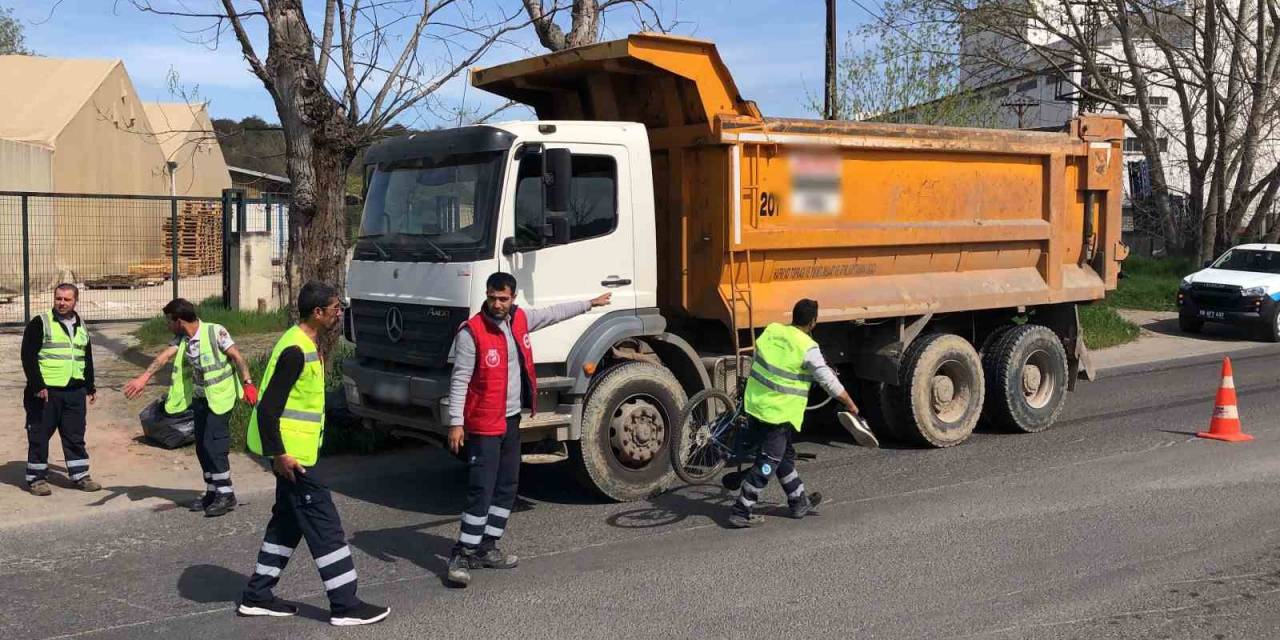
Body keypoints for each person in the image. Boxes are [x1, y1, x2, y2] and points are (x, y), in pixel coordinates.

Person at [445, 272, 612, 587]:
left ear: (513, 298)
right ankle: (462, 552)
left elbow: (552, 314)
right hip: (482, 423)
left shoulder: (518, 320)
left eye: (503, 299)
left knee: (508, 484)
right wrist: (456, 423)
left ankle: (487, 547)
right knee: (482, 487)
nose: (497, 304)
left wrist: (589, 303)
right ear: (486, 295)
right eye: (493, 298)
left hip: (510, 420)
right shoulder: (472, 333)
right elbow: (460, 379)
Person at [238, 281, 389, 626]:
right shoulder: (296, 350)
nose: (340, 313)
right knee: (326, 526)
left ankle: (257, 595)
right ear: (318, 312)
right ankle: (346, 605)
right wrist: (279, 455)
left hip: (298, 454)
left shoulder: (305, 343)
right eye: (336, 308)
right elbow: (267, 409)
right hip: (294, 460)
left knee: (287, 525)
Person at [730, 298, 870, 529]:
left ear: (793, 316)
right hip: (778, 412)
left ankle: (798, 501)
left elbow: (758, 358)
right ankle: (741, 510)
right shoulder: (807, 347)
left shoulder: (773, 330)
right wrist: (851, 405)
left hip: (755, 404)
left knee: (784, 456)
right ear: (814, 322)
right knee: (768, 462)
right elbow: (829, 382)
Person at [123, 299, 257, 517]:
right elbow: (163, 357)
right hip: (200, 399)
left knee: (215, 443)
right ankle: (213, 492)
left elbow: (237, 357)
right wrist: (143, 378)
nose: (167, 325)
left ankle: (226, 494)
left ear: (179, 320)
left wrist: (248, 383)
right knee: (202, 446)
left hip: (222, 397)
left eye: (169, 321)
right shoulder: (182, 338)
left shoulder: (215, 332)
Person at [21, 284, 99, 496]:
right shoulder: (40, 323)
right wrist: (38, 385)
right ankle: (36, 479)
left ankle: (80, 475)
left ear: (75, 301)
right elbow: (28, 357)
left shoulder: (81, 324)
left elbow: (86, 357)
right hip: (46, 392)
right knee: (39, 435)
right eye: (58, 299)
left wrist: (90, 385)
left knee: (75, 435)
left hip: (74, 390)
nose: (62, 303)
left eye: (67, 299)